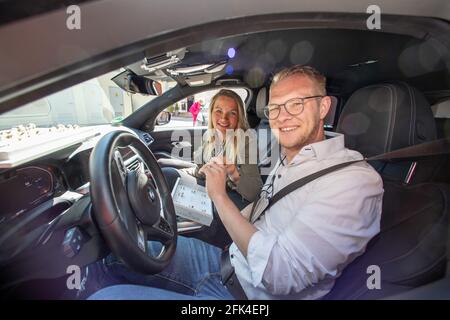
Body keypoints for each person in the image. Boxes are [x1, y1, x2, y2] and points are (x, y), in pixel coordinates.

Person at [88, 65, 383, 300]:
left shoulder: (355, 183)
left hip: (246, 296)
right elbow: (263, 206)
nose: (283, 117)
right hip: (226, 263)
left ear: (323, 107)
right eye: (276, 107)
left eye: (296, 104)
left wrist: (219, 197)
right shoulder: (294, 158)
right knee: (118, 256)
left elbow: (279, 275)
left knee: (105, 297)